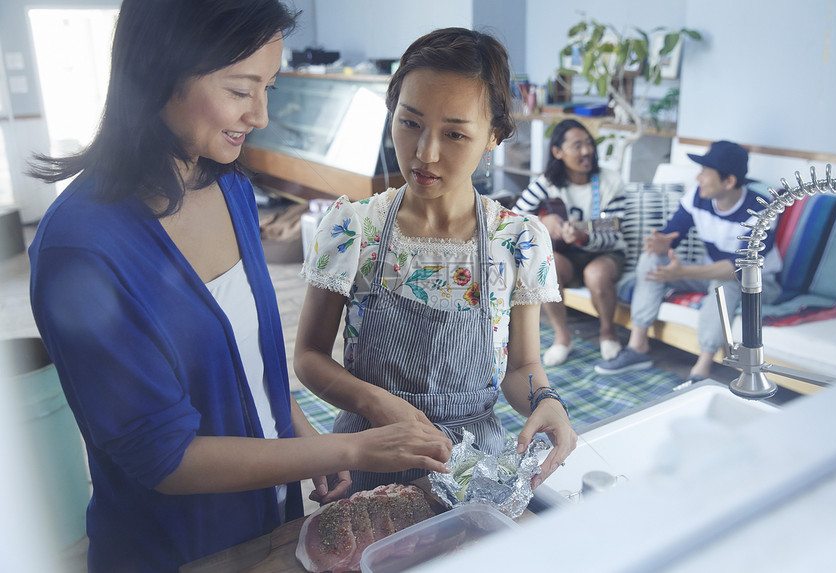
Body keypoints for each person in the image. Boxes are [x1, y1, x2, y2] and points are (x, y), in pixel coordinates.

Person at [27, 1, 451, 571]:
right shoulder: (80, 248)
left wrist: (301, 440)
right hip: (176, 547)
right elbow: (165, 458)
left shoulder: (229, 187)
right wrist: (351, 444)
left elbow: (254, 363)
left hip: (268, 524)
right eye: (241, 89)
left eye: (269, 86)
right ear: (160, 70)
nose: (261, 115)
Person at [294, 27, 577, 494]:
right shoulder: (353, 229)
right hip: (367, 455)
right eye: (410, 123)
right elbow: (309, 357)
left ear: (494, 136)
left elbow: (522, 366)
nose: (425, 153)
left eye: (454, 134)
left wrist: (547, 401)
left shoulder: (518, 239)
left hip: (471, 464)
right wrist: (378, 403)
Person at [594, 140, 782, 383]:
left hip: (758, 283)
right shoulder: (698, 197)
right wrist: (659, 244)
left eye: (705, 173)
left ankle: (700, 370)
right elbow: (672, 233)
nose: (698, 178)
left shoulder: (761, 212)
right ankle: (637, 347)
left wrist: (681, 272)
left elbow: (739, 269)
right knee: (652, 259)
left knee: (723, 284)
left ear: (729, 181)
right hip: (710, 273)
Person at [513, 119, 627, 366]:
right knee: (545, 267)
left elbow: (615, 230)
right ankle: (562, 337)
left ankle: (608, 332)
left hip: (605, 254)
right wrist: (543, 220)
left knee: (596, 273)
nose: (586, 151)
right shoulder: (547, 182)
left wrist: (583, 235)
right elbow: (513, 217)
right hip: (566, 255)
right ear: (558, 152)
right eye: (577, 145)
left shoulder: (610, 181)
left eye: (588, 144)